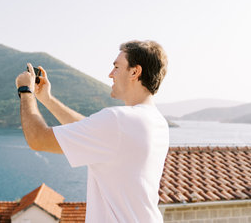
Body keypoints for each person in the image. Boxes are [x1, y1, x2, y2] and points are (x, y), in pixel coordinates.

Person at [15, 40, 169, 223]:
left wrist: (26, 91)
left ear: (135, 72)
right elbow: (90, 129)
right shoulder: (156, 122)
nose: (110, 74)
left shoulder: (118, 121)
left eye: (117, 67)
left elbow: (37, 138)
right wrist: (47, 99)